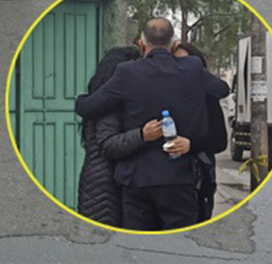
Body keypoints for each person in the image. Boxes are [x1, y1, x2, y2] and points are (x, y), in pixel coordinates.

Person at [74, 17, 231, 230]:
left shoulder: (126, 72)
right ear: (174, 44)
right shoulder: (193, 68)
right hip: (178, 179)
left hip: (136, 181)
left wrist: (85, 96)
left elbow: (87, 108)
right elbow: (222, 89)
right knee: (181, 244)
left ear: (141, 43)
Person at [76, 46, 157, 227]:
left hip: (99, 181)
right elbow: (108, 145)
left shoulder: (98, 100)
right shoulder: (109, 105)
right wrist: (143, 135)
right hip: (106, 187)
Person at [172, 42, 228, 223]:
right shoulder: (160, 93)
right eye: (176, 62)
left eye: (187, 62)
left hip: (198, 179)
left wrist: (191, 145)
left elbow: (219, 141)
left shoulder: (208, 97)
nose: (183, 67)